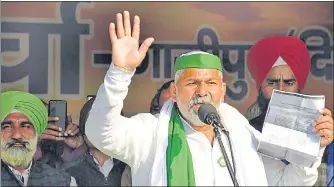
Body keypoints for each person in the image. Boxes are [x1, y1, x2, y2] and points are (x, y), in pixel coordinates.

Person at [85, 11, 326, 186]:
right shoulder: (150, 133)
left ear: (223, 91)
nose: (202, 90)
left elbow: (287, 182)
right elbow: (100, 133)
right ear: (176, 92)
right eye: (192, 82)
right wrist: (120, 73)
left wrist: (316, 146)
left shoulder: (242, 134)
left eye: (211, 83)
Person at [245, 36, 334, 186]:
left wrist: (318, 146)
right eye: (272, 82)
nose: (280, 90)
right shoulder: (245, 134)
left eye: (289, 82)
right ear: (260, 86)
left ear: (299, 87)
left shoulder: (324, 131)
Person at [1, 91, 77, 186]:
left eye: (26, 126)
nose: (17, 135)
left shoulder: (64, 180)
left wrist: (80, 146)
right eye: (7, 126)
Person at [62, 98, 131, 186]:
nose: (100, 130)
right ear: (83, 131)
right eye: (93, 124)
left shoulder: (131, 166)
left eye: (105, 123)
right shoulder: (70, 169)